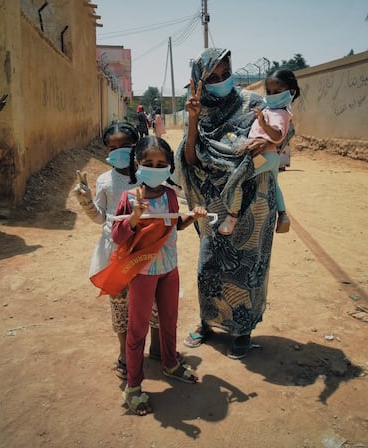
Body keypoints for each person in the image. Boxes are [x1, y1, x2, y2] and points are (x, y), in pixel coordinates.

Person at [176, 47, 285, 359]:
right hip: (214, 202)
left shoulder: (252, 103)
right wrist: (194, 120)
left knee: (249, 266)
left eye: (226, 74)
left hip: (254, 200)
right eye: (213, 77)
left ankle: (243, 328)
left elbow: (278, 136)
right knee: (209, 264)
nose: (223, 80)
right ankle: (208, 321)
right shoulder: (197, 110)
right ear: (199, 80)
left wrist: (268, 141)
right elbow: (190, 158)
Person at [111, 135, 206, 415]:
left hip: (169, 269)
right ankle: (134, 386)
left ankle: (170, 363)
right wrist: (134, 217)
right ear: (137, 164)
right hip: (142, 271)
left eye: (161, 163)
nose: (155, 167)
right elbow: (118, 236)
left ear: (169, 167)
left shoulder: (170, 195)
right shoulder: (129, 198)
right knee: (137, 328)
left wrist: (193, 216)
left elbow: (175, 226)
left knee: (169, 320)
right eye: (148, 162)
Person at [73, 121, 162, 381]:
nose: (119, 151)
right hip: (117, 251)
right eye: (113, 147)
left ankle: (157, 347)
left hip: (146, 249)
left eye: (126, 146)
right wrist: (86, 201)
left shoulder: (150, 176)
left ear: (137, 146)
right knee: (120, 303)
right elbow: (101, 219)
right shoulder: (104, 180)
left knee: (155, 301)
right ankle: (124, 352)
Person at [217, 69, 300, 236]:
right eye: (269, 91)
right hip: (271, 158)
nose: (271, 95)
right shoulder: (272, 110)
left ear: (290, 92)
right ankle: (283, 215)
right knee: (275, 185)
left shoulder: (279, 113)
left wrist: (263, 123)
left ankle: (233, 216)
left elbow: (278, 135)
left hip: (264, 156)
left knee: (237, 177)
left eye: (277, 92)